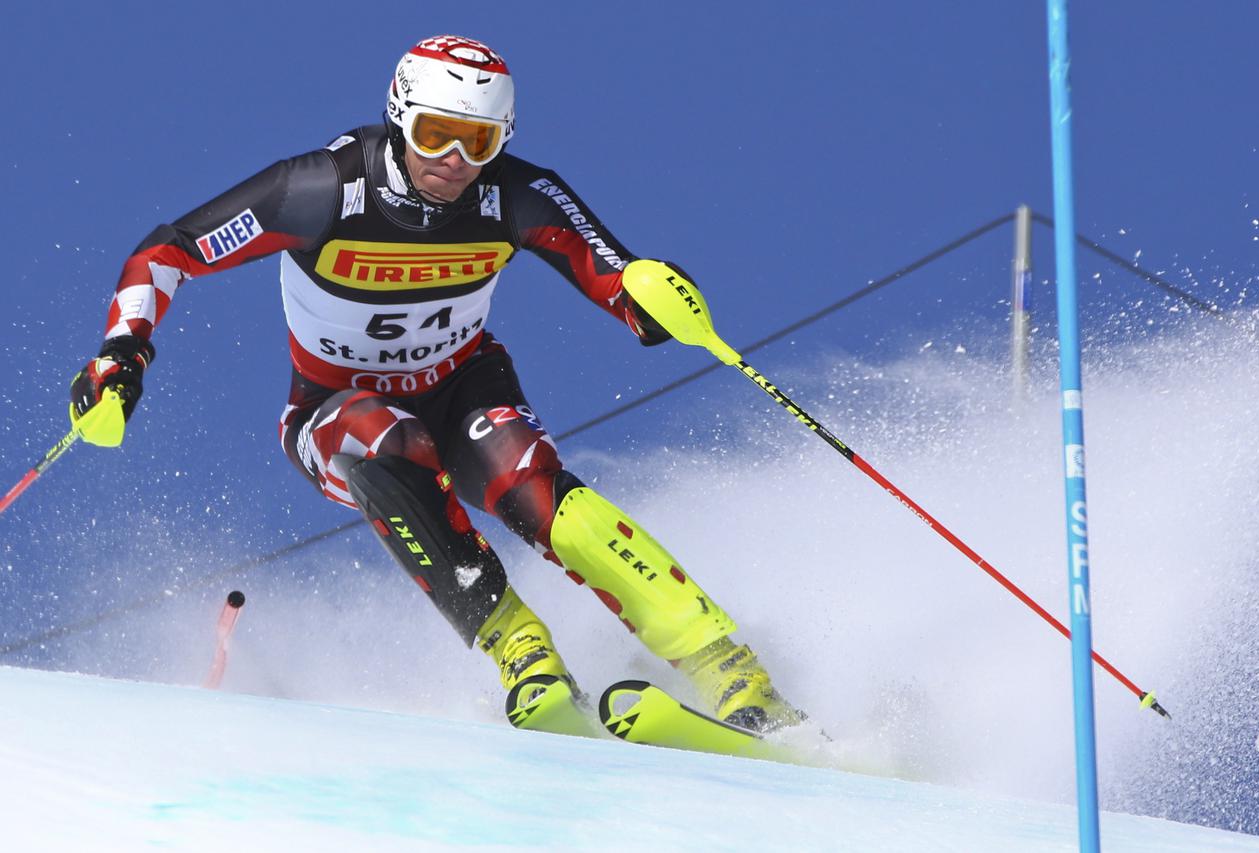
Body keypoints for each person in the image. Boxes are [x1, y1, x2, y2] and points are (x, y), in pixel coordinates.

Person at [70, 35, 803, 733]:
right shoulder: (323, 190)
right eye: (435, 134)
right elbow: (167, 251)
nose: (454, 160)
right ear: (399, 117)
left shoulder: (515, 195)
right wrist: (121, 353)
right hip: (332, 409)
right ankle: (524, 653)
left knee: (543, 496)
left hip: (461, 386)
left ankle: (731, 668)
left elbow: (612, 272)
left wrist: (651, 301)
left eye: (479, 142)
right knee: (383, 439)